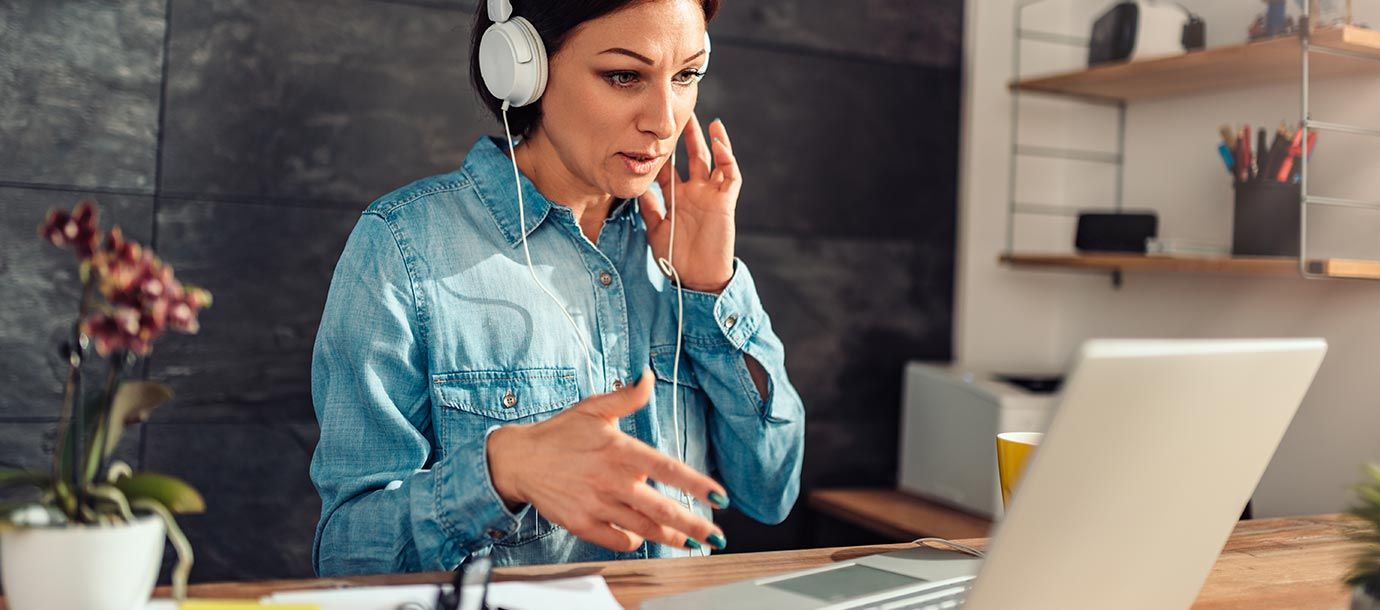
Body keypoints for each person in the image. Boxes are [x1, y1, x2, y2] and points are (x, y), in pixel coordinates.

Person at [309, 0, 804, 575]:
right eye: (624, 76)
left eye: (687, 75)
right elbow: (346, 556)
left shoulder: (681, 250)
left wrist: (713, 291)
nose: (664, 121)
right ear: (522, 70)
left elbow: (771, 491)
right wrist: (499, 473)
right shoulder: (402, 247)